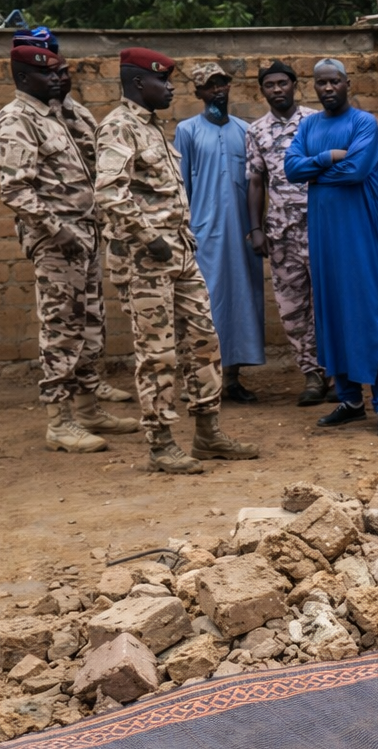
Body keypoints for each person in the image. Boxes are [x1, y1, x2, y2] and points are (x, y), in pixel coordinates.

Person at [95, 47, 259, 473]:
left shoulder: (154, 129)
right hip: (146, 260)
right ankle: (161, 443)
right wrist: (150, 239)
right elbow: (109, 193)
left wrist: (179, 241)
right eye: (162, 82)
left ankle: (208, 432)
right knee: (158, 354)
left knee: (205, 340)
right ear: (137, 84)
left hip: (181, 253)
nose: (170, 88)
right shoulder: (118, 127)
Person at [0, 43, 139, 454]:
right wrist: (59, 231)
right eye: (49, 73)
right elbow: (15, 190)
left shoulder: (60, 113)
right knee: (61, 329)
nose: (58, 78)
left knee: (91, 324)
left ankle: (89, 408)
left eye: (61, 71)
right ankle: (59, 421)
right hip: (57, 243)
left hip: (85, 235)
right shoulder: (17, 120)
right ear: (23, 78)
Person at [284, 58, 378, 437]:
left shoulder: (363, 123)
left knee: (370, 314)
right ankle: (350, 401)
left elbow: (357, 171)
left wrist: (315, 172)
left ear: (347, 84)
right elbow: (291, 169)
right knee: (332, 314)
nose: (328, 88)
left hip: (359, 235)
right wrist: (327, 158)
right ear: (314, 87)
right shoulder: (309, 125)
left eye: (334, 82)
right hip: (324, 238)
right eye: (321, 83)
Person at [174, 62, 267, 403]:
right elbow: (180, 186)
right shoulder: (187, 131)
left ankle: (231, 380)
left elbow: (258, 182)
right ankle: (197, 382)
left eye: (222, 84)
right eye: (210, 86)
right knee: (204, 306)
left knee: (241, 301)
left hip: (241, 234)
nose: (218, 90)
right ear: (198, 93)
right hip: (204, 233)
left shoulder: (246, 130)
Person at [245, 60, 329, 407]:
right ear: (262, 90)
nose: (277, 90)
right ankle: (312, 375)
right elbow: (254, 181)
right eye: (270, 85)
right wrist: (256, 228)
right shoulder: (256, 131)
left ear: (295, 85)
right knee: (293, 307)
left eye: (282, 83)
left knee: (328, 302)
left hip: (320, 228)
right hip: (281, 234)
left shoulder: (316, 121)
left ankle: (339, 374)